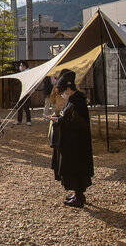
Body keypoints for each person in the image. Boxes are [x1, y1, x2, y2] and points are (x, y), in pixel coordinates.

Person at [47, 69, 94, 208]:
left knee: (76, 169)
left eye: (62, 91)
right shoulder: (72, 101)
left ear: (68, 89)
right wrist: (58, 118)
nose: (61, 94)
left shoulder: (77, 102)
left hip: (76, 144)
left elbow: (78, 123)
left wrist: (58, 121)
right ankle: (77, 194)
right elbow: (68, 118)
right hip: (71, 143)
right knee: (72, 168)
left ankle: (79, 197)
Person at [16, 61, 32, 125]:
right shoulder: (22, 73)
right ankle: (19, 120)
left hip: (26, 92)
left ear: (24, 66)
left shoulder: (28, 72)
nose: (20, 67)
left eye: (21, 66)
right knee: (19, 106)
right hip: (21, 91)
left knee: (26, 107)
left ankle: (28, 120)